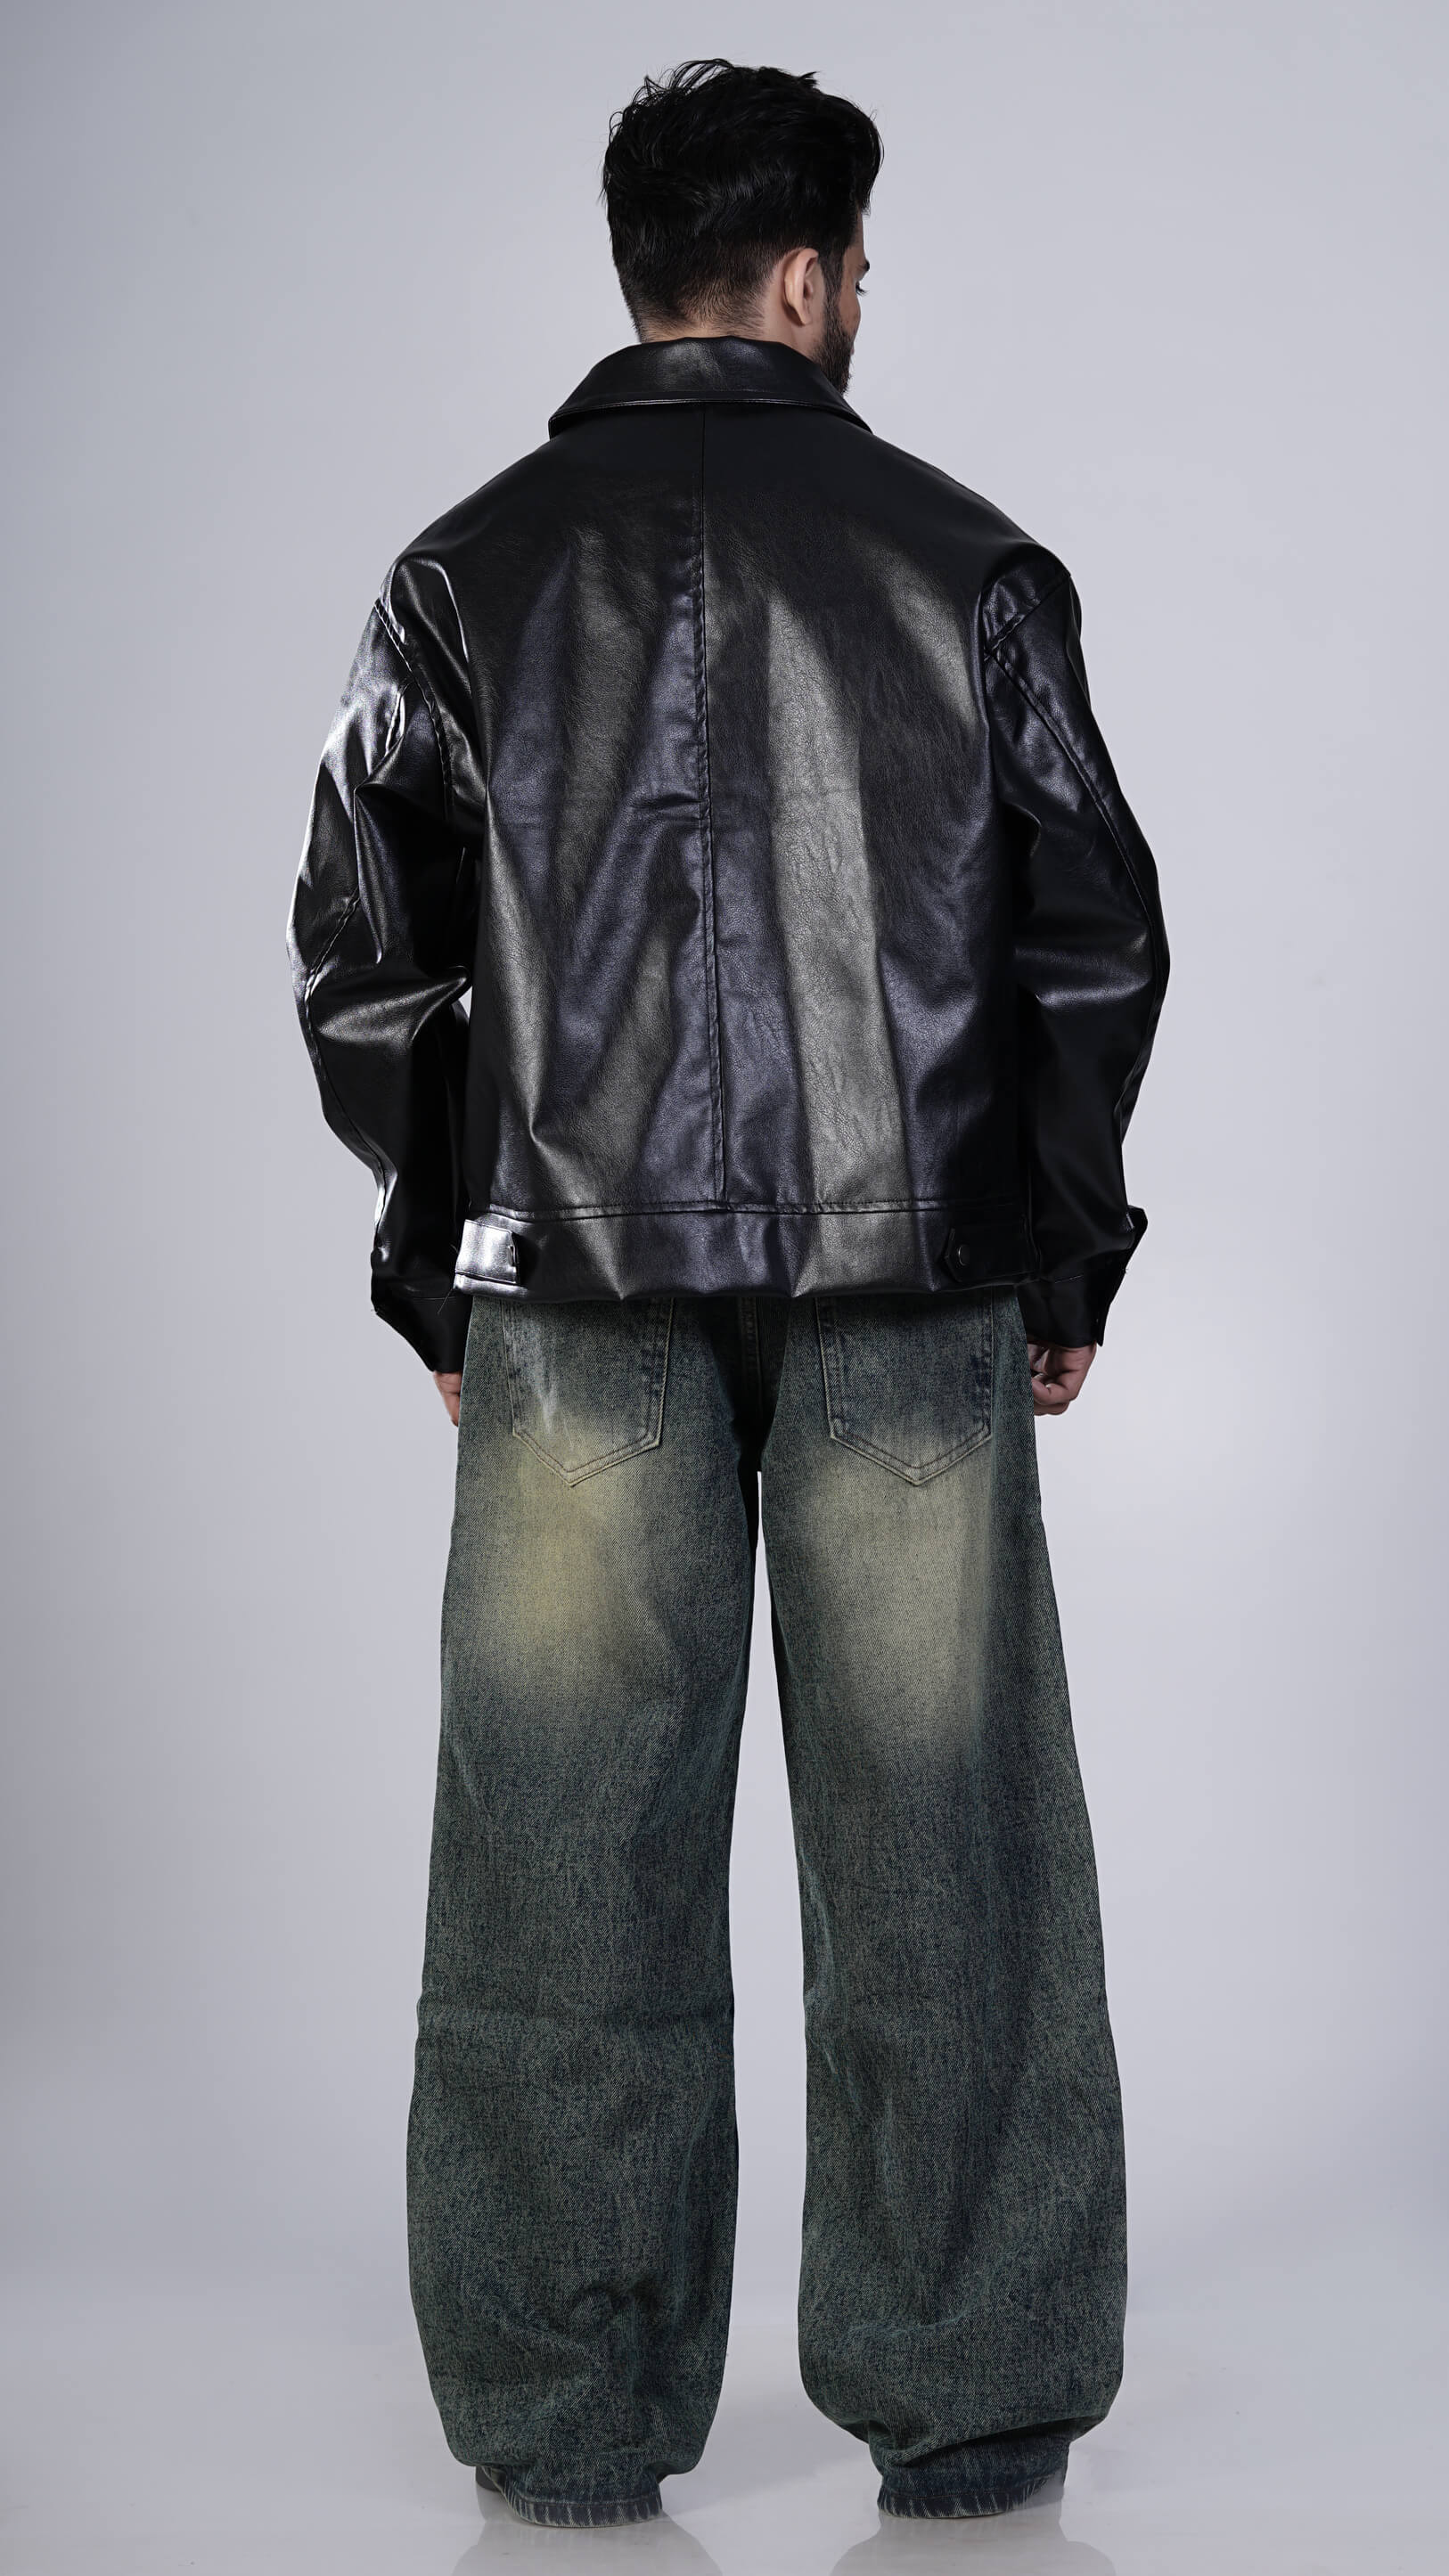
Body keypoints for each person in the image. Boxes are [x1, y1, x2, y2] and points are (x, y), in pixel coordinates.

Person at [289, 56, 1167, 2531]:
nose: (859, 296)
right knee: (944, 1850)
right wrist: (1057, 1247)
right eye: (857, 265)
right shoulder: (966, 564)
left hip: (571, 1291)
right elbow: (1087, 939)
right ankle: (971, 2399)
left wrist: (446, 1269)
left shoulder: (461, 575)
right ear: (803, 276)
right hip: (912, 1283)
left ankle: (565, 2412)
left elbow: (369, 964)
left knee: (563, 1852)